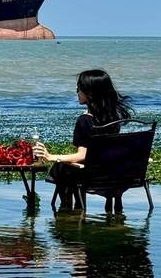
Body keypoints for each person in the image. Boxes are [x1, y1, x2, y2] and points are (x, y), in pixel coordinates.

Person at [34, 69, 134, 213]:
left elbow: (82, 156)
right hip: (114, 175)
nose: (77, 92)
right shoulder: (114, 119)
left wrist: (51, 157)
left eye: (79, 88)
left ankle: (68, 212)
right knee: (65, 168)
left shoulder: (85, 120)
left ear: (90, 93)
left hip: (92, 177)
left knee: (60, 168)